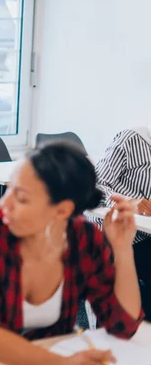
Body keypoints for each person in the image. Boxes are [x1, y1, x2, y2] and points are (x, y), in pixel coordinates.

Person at [0, 143, 144, 364]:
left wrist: (122, 249)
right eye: (10, 188)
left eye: (21, 198)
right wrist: (64, 362)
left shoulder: (84, 239)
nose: (3, 203)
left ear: (62, 210)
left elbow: (122, 325)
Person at [94, 126, 151, 319]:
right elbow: (95, 184)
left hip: (145, 235)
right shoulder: (131, 139)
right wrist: (129, 203)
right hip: (115, 231)